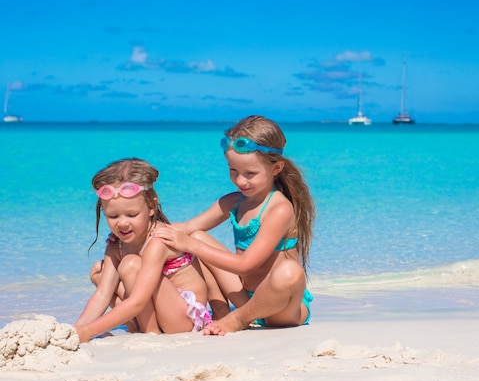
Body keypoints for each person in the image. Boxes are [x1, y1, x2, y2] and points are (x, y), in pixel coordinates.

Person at [152, 115, 315, 335]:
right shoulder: (233, 201)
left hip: (281, 307)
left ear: (276, 168)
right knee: (198, 236)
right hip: (245, 298)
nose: (240, 181)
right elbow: (187, 228)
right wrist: (143, 232)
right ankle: (220, 310)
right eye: (233, 171)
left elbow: (246, 265)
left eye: (250, 174)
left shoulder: (279, 209)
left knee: (289, 272)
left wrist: (189, 244)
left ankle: (237, 319)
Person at [74, 158, 220, 343]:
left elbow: (138, 301)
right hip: (155, 308)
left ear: (151, 207)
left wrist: (88, 332)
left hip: (183, 319)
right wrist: (77, 328)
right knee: (99, 271)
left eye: (132, 215)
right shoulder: (116, 244)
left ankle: (151, 333)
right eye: (112, 216)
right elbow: (103, 294)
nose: (122, 223)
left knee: (130, 265)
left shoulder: (159, 241)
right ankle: (138, 327)